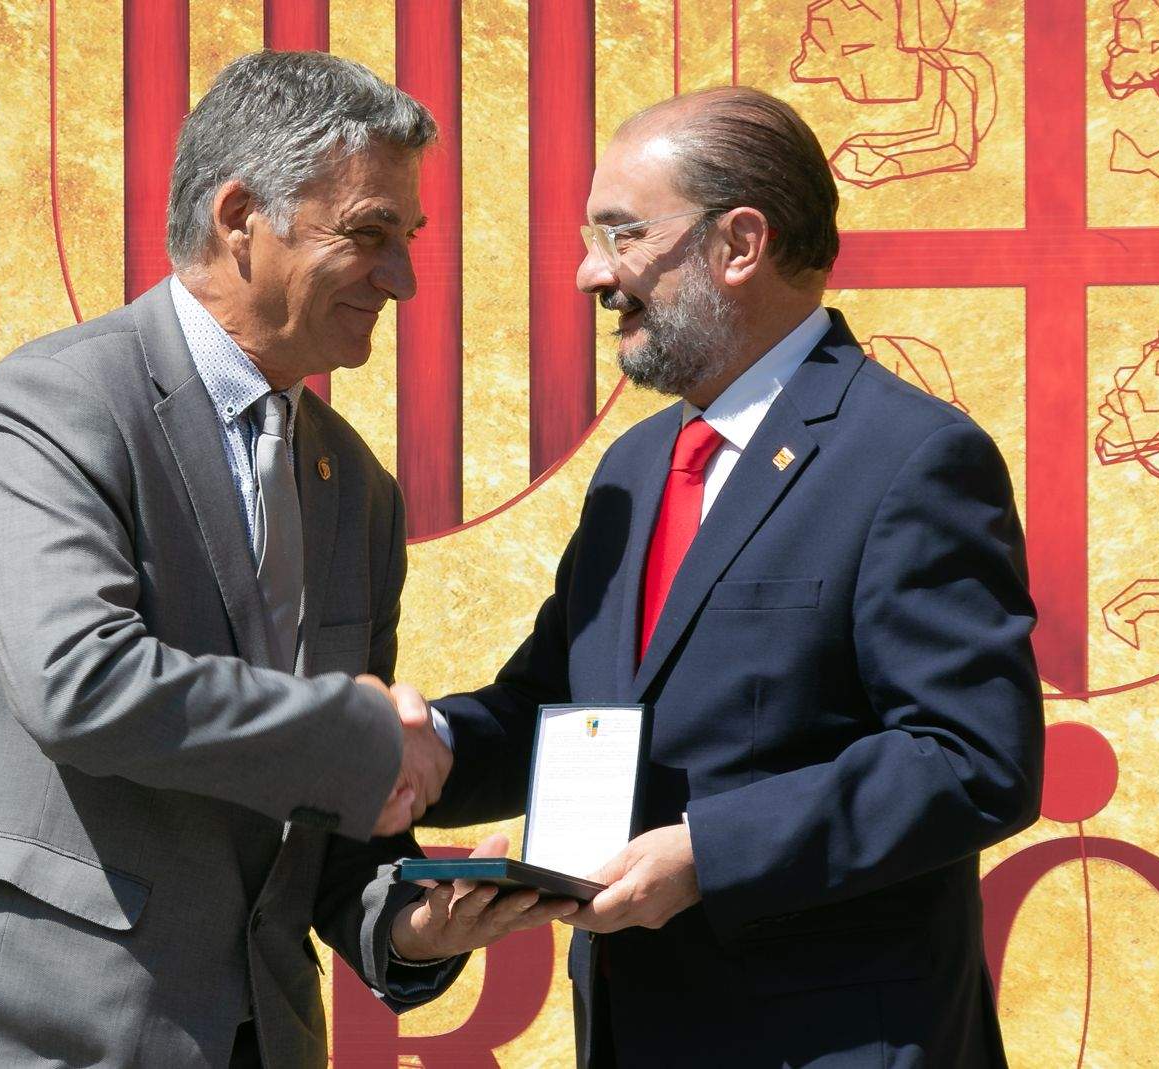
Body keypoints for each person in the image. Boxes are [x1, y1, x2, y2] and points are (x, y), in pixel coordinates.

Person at [0, 51, 562, 1068]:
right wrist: (360, 733)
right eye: (368, 234)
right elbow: (78, 683)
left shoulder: (355, 491)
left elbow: (314, 817)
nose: (402, 279)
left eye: (408, 240)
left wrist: (404, 923)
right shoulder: (59, 405)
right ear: (238, 218)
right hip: (24, 1040)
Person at [415, 86, 1045, 1066]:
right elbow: (558, 708)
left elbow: (970, 759)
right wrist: (409, 749)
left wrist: (711, 852)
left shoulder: (909, 458)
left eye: (621, 236)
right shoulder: (633, 473)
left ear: (738, 244)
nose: (591, 273)